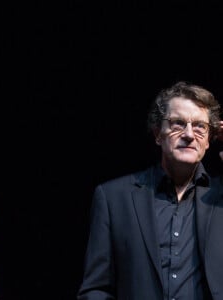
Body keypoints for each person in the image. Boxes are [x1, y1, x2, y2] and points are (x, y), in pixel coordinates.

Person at [77, 81, 223, 300]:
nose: (189, 134)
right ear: (157, 134)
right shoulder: (114, 198)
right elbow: (96, 289)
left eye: (200, 126)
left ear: (209, 140)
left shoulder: (221, 197)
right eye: (177, 123)